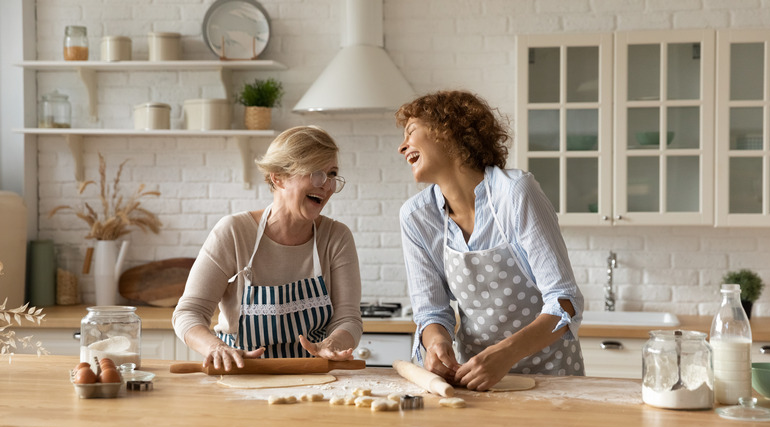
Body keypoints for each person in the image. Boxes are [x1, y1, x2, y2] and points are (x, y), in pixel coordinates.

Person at [395, 90, 585, 391]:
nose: (401, 147)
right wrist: (437, 344)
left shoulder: (516, 193)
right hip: (477, 383)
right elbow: (432, 313)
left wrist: (506, 354)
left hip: (552, 380)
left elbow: (565, 302)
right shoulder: (417, 217)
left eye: (411, 132)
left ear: (449, 132)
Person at [173, 126, 362, 371]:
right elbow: (188, 312)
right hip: (242, 375)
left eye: (332, 174)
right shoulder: (234, 232)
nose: (326, 186)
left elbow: (348, 318)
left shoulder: (336, 237)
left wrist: (333, 344)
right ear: (278, 177)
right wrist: (216, 348)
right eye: (316, 173)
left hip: (313, 378)